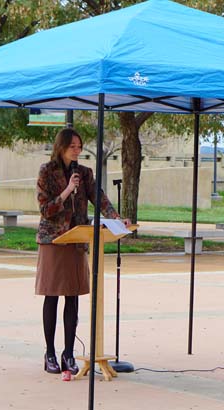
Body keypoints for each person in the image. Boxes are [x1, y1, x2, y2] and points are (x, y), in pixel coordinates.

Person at [35, 128, 130, 375]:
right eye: (72, 146)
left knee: (73, 297)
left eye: (79, 146)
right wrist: (67, 190)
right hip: (54, 241)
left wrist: (117, 218)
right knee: (52, 296)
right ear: (61, 147)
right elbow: (46, 210)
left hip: (77, 240)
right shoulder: (46, 171)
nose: (77, 150)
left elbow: (99, 199)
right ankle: (50, 353)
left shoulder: (85, 173)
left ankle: (68, 353)